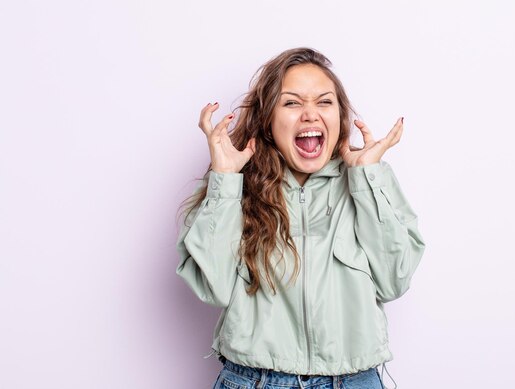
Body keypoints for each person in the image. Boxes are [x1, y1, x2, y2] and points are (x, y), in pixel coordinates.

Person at [176, 47, 426, 389]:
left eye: (324, 102)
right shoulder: (235, 185)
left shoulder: (369, 182)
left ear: (340, 116)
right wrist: (225, 181)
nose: (310, 114)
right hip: (255, 380)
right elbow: (212, 287)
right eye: (292, 103)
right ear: (268, 118)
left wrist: (367, 180)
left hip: (353, 380)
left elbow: (394, 279)